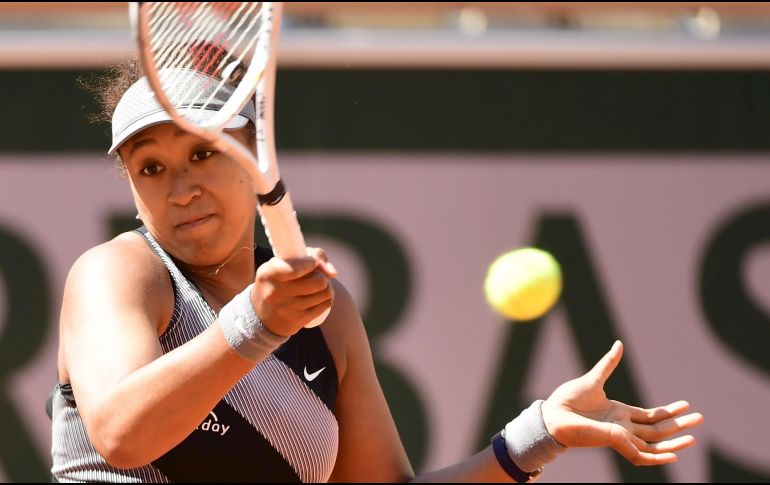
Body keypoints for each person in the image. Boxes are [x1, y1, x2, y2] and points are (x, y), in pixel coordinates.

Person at [50, 60, 703, 482]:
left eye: (201, 152)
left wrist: (537, 434)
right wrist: (255, 322)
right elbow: (121, 434)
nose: (180, 187)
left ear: (253, 157)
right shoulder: (117, 273)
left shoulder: (325, 314)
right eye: (151, 168)